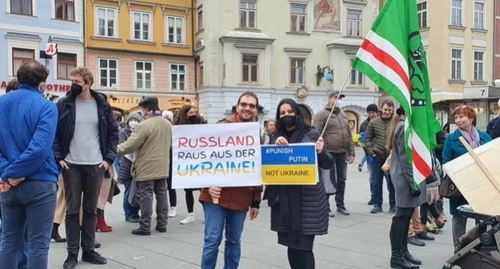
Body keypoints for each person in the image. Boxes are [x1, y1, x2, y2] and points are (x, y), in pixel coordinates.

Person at [54, 66, 118, 268]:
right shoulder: (64, 104)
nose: (73, 85)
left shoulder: (102, 105)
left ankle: (88, 250)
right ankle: (72, 253)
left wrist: (108, 159)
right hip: (71, 164)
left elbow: (112, 135)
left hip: (95, 163)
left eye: (77, 82)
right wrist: (58, 157)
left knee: (91, 210)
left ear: (88, 83)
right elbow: (55, 133)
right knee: (72, 211)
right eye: (71, 81)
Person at [0, 60, 60, 269]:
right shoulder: (46, 106)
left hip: (7, 184)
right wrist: (15, 172)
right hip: (39, 181)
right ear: (42, 82)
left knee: (8, 241)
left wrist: (7, 172)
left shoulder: (1, 103)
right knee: (37, 243)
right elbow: (40, 148)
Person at [264, 98, 333, 269]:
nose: (286, 115)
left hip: (309, 202)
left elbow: (328, 163)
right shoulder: (275, 136)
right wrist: (275, 144)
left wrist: (321, 151)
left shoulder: (312, 134)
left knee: (304, 248)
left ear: (297, 113)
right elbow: (267, 164)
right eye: (282, 113)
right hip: (284, 204)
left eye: (290, 112)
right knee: (292, 247)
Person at [199, 91, 263, 269]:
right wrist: (207, 184)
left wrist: (256, 200)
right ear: (237, 106)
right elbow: (201, 161)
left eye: (251, 105)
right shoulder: (219, 128)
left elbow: (257, 168)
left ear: (256, 110)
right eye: (244, 104)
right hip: (215, 196)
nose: (247, 108)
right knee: (212, 241)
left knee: (234, 241)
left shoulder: (256, 134)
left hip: (241, 196)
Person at [117, 97, 172, 236]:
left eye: (142, 110)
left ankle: (145, 225)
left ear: (147, 109)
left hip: (146, 166)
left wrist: (111, 150)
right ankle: (162, 224)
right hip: (163, 164)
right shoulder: (167, 124)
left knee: (145, 196)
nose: (141, 114)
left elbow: (129, 145)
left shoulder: (144, 125)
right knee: (162, 194)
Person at [442, 105, 491, 248]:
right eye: (456, 117)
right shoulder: (451, 139)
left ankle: (482, 248)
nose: (458, 120)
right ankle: (459, 250)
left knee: (483, 218)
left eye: (461, 116)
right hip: (460, 185)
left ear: (471, 118)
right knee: (459, 217)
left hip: (482, 185)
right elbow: (446, 161)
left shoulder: (484, 136)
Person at [387, 107, 425, 269]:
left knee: (406, 216)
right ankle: (396, 257)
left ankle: (403, 251)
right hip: (405, 178)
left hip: (407, 177)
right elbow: (405, 159)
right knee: (401, 218)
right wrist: (413, 182)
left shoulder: (404, 124)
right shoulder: (403, 126)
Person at [313, 91, 354, 217]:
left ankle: (340, 204)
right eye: (336, 97)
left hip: (342, 152)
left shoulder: (343, 114)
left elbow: (348, 134)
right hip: (328, 152)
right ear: (329, 98)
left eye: (340, 98)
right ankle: (325, 205)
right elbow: (315, 133)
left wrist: (351, 151)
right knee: (328, 180)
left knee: (341, 179)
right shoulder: (322, 114)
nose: (338, 100)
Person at [173, 105, 204, 224]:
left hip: (200, 161)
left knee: (203, 189)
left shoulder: (201, 124)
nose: (193, 115)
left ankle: (207, 213)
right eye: (190, 113)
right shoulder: (179, 127)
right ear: (184, 114)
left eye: (194, 112)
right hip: (186, 162)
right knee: (188, 190)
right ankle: (190, 214)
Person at [366, 100, 396, 214]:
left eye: (389, 110)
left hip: (391, 157)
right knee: (376, 182)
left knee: (392, 182)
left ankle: (393, 205)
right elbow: (367, 139)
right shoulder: (373, 122)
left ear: (392, 110)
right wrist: (370, 151)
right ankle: (377, 204)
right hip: (377, 155)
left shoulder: (396, 121)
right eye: (385, 109)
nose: (387, 112)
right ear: (381, 109)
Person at [118, 112, 142, 223]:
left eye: (136, 120)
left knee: (137, 191)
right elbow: (122, 145)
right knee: (128, 190)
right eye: (131, 119)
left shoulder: (141, 131)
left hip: (139, 165)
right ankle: (128, 213)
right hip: (127, 165)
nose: (134, 122)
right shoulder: (123, 132)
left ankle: (135, 212)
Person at [162, 110, 178, 218]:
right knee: (161, 187)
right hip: (161, 160)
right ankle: (163, 207)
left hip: (171, 160)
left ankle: (173, 207)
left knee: (171, 186)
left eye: (169, 119)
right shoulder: (161, 130)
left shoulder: (175, 131)